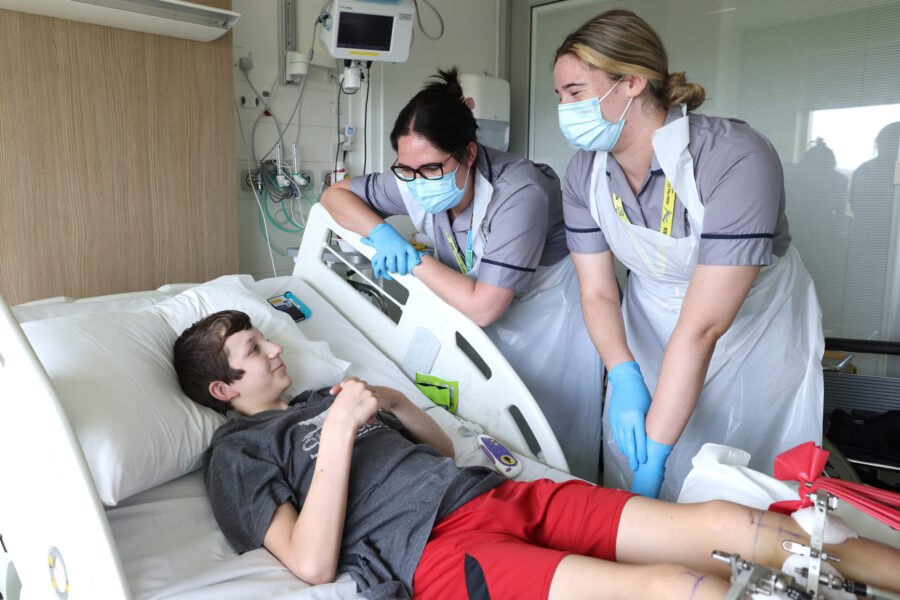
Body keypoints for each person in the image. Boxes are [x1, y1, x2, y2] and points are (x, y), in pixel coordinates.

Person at [171, 309, 900, 600]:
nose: (274, 350)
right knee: (677, 587)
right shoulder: (238, 452)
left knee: (726, 523)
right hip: (436, 550)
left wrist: (394, 405)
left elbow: (438, 448)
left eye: (266, 339)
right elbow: (309, 562)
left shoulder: (325, 398)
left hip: (490, 491)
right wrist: (336, 434)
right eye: (253, 351)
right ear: (222, 389)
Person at [553, 9, 824, 500]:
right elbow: (597, 291)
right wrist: (622, 370)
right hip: (649, 326)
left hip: (749, 330)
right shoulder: (583, 175)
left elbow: (703, 327)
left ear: (632, 81)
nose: (565, 109)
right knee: (634, 473)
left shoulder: (735, 157)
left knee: (736, 480)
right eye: (560, 97)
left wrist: (657, 458)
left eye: (575, 93)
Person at [320, 67, 603, 481]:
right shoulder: (416, 175)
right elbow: (334, 196)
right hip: (479, 302)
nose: (416, 182)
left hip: (549, 317)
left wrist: (413, 260)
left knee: (551, 430)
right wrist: (381, 233)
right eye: (405, 169)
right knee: (492, 418)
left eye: (431, 169)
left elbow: (485, 307)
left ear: (469, 154)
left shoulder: (519, 192)